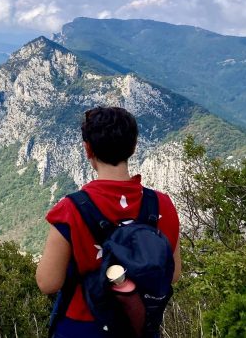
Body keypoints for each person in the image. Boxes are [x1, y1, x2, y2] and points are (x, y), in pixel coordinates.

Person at [36, 106, 182, 337]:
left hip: (82, 326)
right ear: (134, 147)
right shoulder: (162, 204)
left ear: (87, 150)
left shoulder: (70, 209)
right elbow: (172, 273)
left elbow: (48, 283)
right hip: (137, 326)